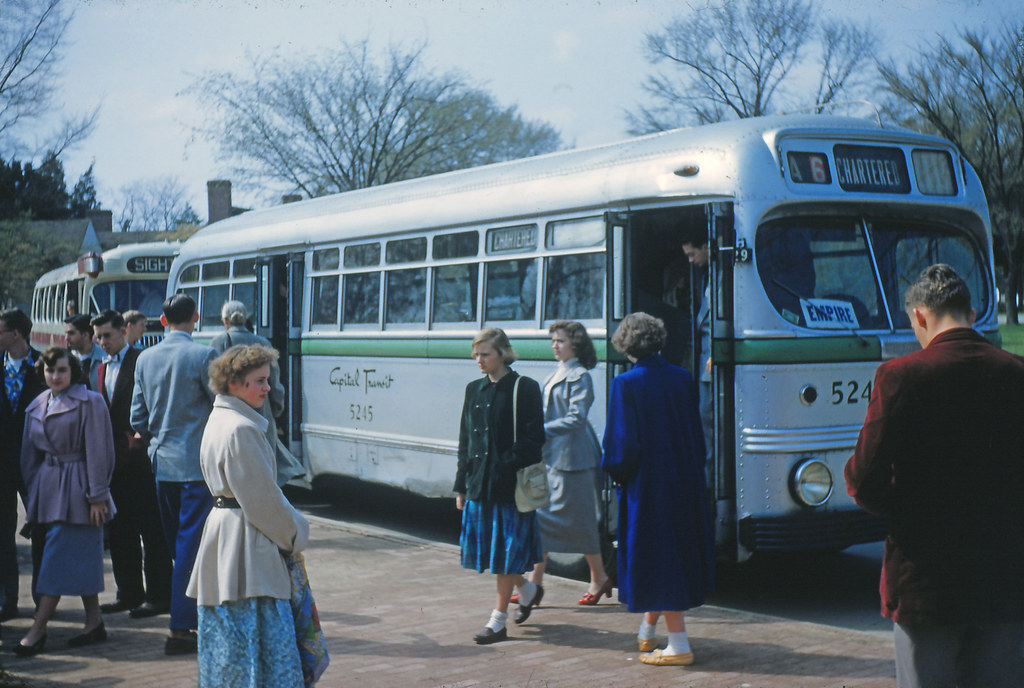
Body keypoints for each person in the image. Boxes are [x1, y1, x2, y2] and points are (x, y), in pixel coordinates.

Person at [844, 264, 1024, 687]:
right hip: (1005, 576)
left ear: (920, 316)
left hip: (925, 580)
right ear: (974, 311)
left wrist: (902, 505)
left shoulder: (900, 376)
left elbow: (862, 477)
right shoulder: (1016, 373)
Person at [187, 345, 309, 687]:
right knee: (262, 649)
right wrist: (297, 533)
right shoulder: (241, 428)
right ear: (234, 383)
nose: (267, 388)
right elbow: (264, 502)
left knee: (228, 650)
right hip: (246, 543)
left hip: (225, 537)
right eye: (260, 381)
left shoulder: (220, 419)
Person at [602, 312, 714, 666]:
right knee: (672, 554)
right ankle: (647, 631)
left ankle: (678, 644)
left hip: (648, 485)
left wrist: (617, 476)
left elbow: (621, 447)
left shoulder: (626, 384)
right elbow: (697, 435)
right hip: (684, 479)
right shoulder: (682, 378)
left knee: (657, 558)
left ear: (626, 345)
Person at [14, 347, 116, 655]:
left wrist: (98, 496)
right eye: (49, 370)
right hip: (48, 494)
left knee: (55, 561)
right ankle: (94, 622)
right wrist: (34, 498)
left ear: (73, 372)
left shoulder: (90, 401)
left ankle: (38, 628)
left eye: (61, 370)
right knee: (80, 558)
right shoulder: (37, 404)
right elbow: (28, 458)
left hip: (81, 492)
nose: (55, 376)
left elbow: (100, 451)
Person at [130, 294, 217, 655]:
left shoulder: (145, 359)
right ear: (195, 318)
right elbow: (220, 404)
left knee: (175, 545)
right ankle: (180, 629)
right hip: (196, 468)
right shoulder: (203, 355)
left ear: (162, 321)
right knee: (190, 548)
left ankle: (183, 621)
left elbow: (137, 418)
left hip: (162, 466)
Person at [454, 328, 545, 644]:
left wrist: (504, 463)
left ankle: (498, 620)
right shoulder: (473, 390)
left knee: (505, 556)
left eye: (486, 354)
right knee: (497, 557)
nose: (479, 360)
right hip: (480, 486)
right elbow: (465, 442)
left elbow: (536, 439)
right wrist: (461, 487)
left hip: (510, 488)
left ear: (503, 354)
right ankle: (528, 589)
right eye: (476, 355)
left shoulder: (525, 387)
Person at [522, 321, 611, 607]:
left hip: (574, 460)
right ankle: (537, 583)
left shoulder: (580, 375)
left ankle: (596, 578)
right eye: (553, 340)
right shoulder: (558, 373)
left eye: (560, 340)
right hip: (555, 457)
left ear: (575, 344)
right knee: (545, 518)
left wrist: (540, 430)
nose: (554, 345)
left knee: (576, 522)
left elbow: (577, 418)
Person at [92, 310, 172, 619]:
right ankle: (128, 593)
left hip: (141, 461)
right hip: (113, 464)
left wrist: (142, 436)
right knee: (121, 531)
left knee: (152, 532)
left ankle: (159, 596)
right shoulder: (98, 369)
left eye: (107, 336)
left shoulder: (141, 360)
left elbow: (155, 403)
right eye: (98, 337)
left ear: (124, 332)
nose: (103, 342)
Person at [209, 300, 304, 486]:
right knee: (265, 474)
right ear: (245, 320)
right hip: (263, 415)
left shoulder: (218, 343)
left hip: (229, 415)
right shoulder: (263, 343)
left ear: (225, 321)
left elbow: (213, 385)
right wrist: (275, 412)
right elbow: (275, 387)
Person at [0, 308, 45, 621]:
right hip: (2, 463)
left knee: (42, 530)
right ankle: (7, 601)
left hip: (36, 462)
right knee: (3, 535)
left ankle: (44, 600)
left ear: (16, 333)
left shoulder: (45, 365)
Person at [681, 227, 713, 480]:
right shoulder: (707, 277)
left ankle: (711, 477)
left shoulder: (721, 275)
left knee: (709, 418)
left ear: (706, 246)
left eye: (692, 254)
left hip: (710, 360)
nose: (691, 261)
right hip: (703, 358)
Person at [64, 314, 104, 391]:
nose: (66, 338)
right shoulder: (66, 359)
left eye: (71, 333)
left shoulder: (104, 358)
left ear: (85, 335)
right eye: (66, 333)